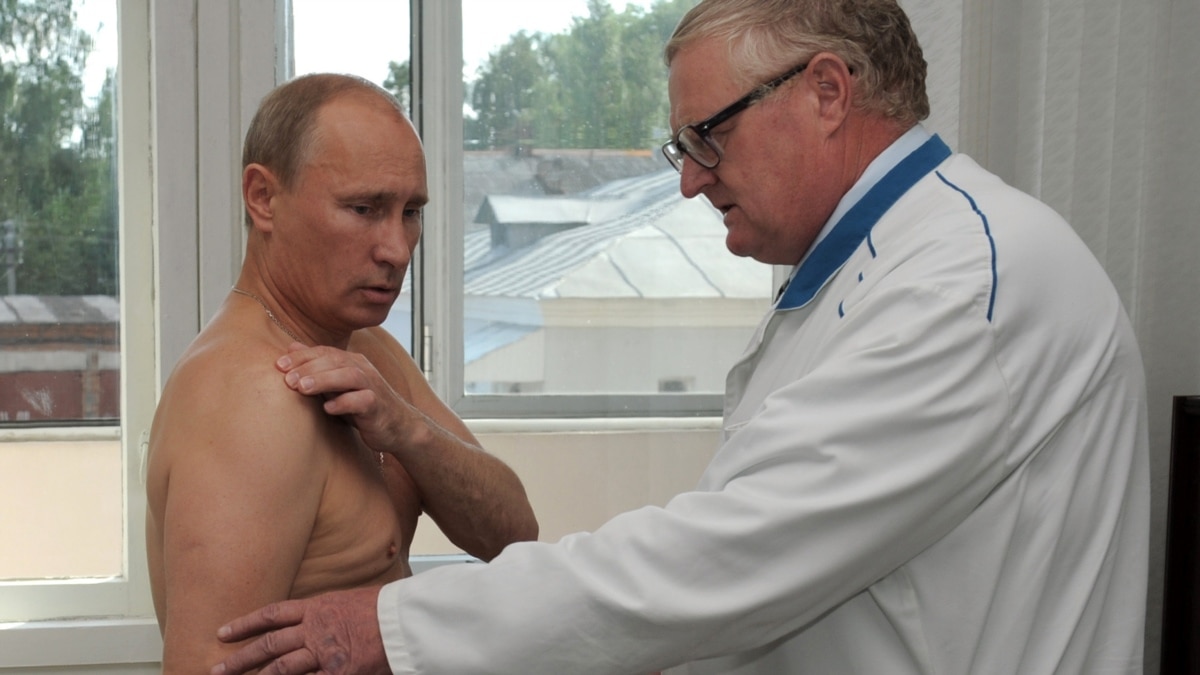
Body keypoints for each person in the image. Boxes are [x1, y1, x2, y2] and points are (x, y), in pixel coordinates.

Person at [211, 1, 1151, 673]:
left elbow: (727, 557)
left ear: (827, 92)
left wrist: (396, 626)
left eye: (708, 136)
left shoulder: (971, 280)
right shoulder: (873, 272)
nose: (691, 181)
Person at [144, 72, 538, 673]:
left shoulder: (369, 350)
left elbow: (512, 536)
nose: (397, 250)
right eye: (364, 209)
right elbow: (207, 665)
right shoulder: (254, 394)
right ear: (263, 198)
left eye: (410, 212)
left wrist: (409, 432)